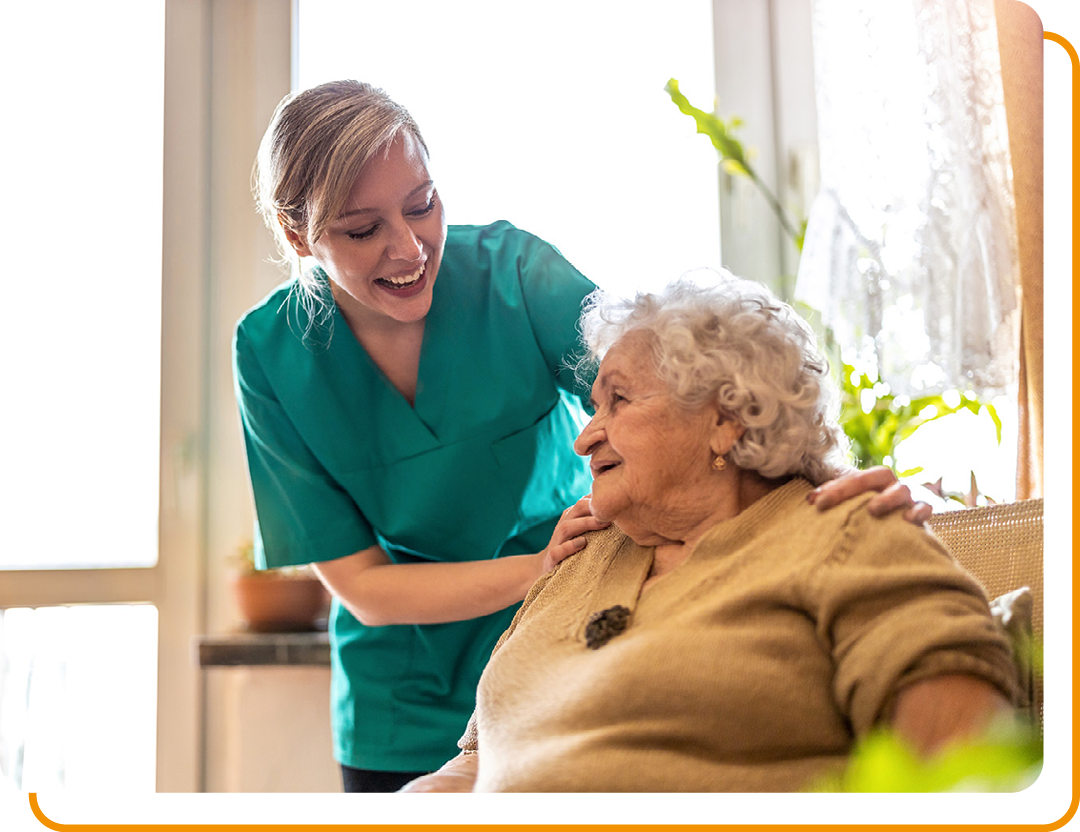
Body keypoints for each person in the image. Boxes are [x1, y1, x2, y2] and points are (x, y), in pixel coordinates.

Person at [233, 79, 929, 793]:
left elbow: (681, 401)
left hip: (572, 640)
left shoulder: (514, 275)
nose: (409, 248)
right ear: (298, 234)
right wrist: (537, 570)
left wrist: (838, 479)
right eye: (362, 229)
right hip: (401, 699)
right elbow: (366, 590)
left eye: (423, 205)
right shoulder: (270, 354)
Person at [399, 273, 1019, 793]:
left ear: (725, 419)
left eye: (619, 402)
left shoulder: (848, 531)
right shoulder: (578, 558)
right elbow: (479, 761)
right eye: (593, 407)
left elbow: (963, 765)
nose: (585, 437)